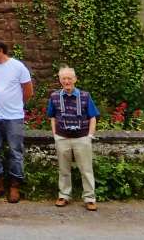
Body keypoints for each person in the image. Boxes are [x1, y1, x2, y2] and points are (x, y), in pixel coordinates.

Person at [0, 39, 33, 203]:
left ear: (0, 51)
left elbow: (28, 91)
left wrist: (17, 104)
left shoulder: (18, 67)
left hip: (14, 117)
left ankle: (14, 186)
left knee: (15, 151)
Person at [47, 66, 100, 211]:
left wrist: (89, 136)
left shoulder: (85, 96)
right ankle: (64, 195)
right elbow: (51, 117)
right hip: (62, 138)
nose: (67, 81)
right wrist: (55, 136)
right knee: (64, 170)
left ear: (75, 79)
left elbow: (93, 117)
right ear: (60, 80)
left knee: (86, 169)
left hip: (82, 138)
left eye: (69, 78)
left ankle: (90, 198)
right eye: (63, 78)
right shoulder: (54, 96)